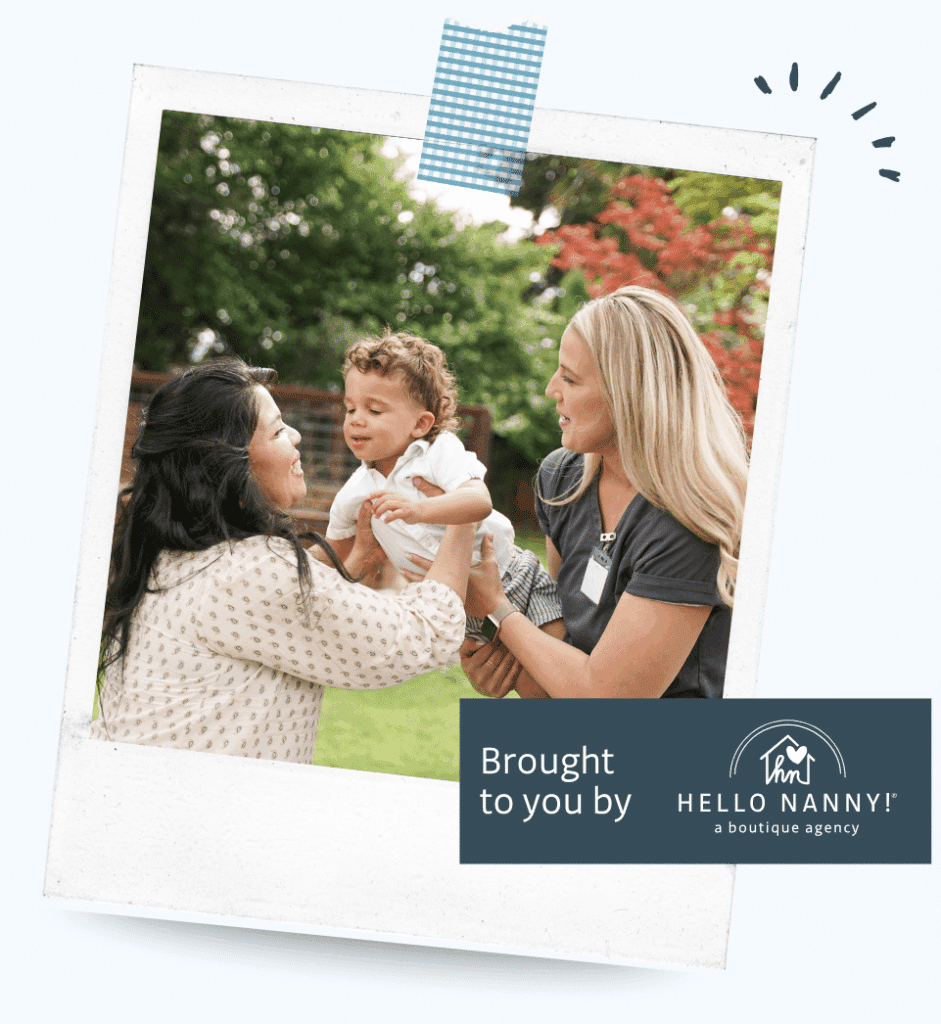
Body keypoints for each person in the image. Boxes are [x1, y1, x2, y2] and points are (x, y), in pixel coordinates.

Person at [91, 359, 477, 762]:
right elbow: (421, 635)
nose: (294, 436)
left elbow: (267, 614)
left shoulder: (167, 556)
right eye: (277, 430)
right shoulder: (251, 571)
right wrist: (462, 510)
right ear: (229, 465)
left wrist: (358, 558)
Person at [442, 285, 749, 699]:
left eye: (570, 377)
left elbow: (608, 698)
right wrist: (507, 666)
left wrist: (496, 609)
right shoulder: (562, 481)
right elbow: (564, 641)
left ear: (630, 395)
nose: (553, 389)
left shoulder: (687, 525)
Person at [325, 331, 563, 659]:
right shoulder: (356, 490)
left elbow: (478, 501)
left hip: (510, 573)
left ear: (421, 424)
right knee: (527, 685)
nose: (355, 421)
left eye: (374, 411)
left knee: (565, 658)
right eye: (350, 409)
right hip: (459, 607)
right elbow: (331, 555)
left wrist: (419, 510)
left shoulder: (436, 453)